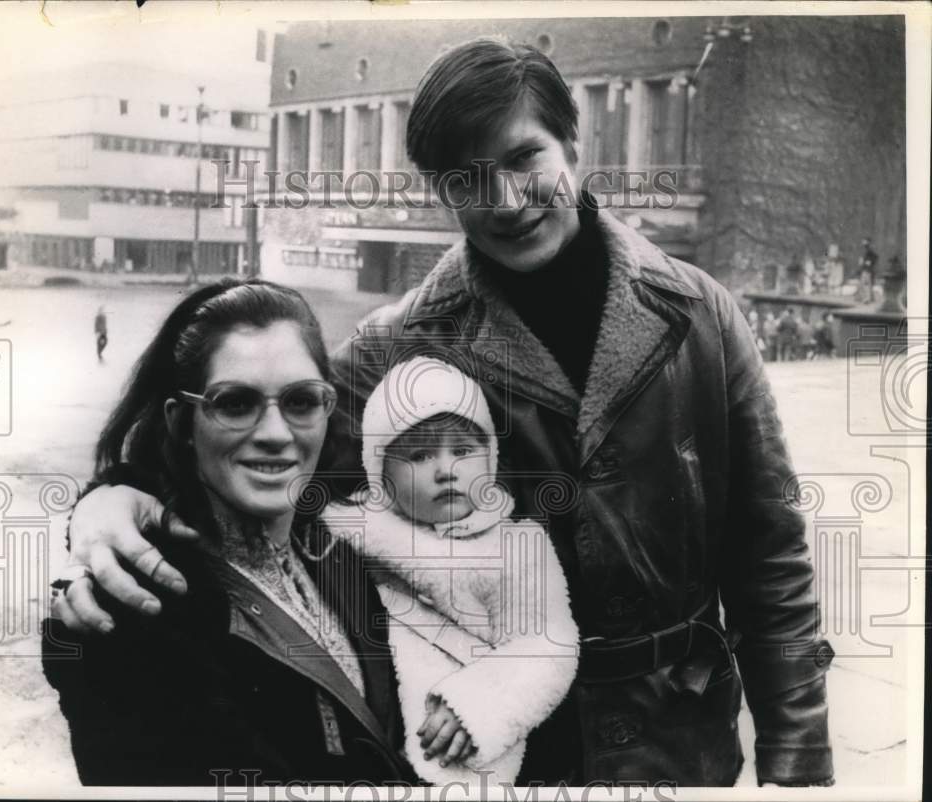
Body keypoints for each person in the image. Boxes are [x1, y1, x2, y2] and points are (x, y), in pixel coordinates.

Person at [58, 37, 834, 787]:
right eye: (465, 179)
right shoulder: (392, 349)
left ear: (573, 142)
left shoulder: (699, 314)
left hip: (682, 746)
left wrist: (799, 764)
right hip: (500, 752)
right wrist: (118, 493)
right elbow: (261, 455)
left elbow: (771, 556)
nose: (503, 200)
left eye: (524, 158)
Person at [43, 279, 411, 785]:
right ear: (182, 422)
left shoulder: (346, 541)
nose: (276, 433)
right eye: (235, 403)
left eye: (302, 401)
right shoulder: (126, 607)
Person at [322, 356, 578, 785]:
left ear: (490, 456)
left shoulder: (517, 548)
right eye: (420, 455)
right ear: (380, 470)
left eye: (462, 450)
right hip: (370, 738)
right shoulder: (349, 532)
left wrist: (474, 707)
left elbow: (547, 646)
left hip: (458, 751)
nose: (446, 471)